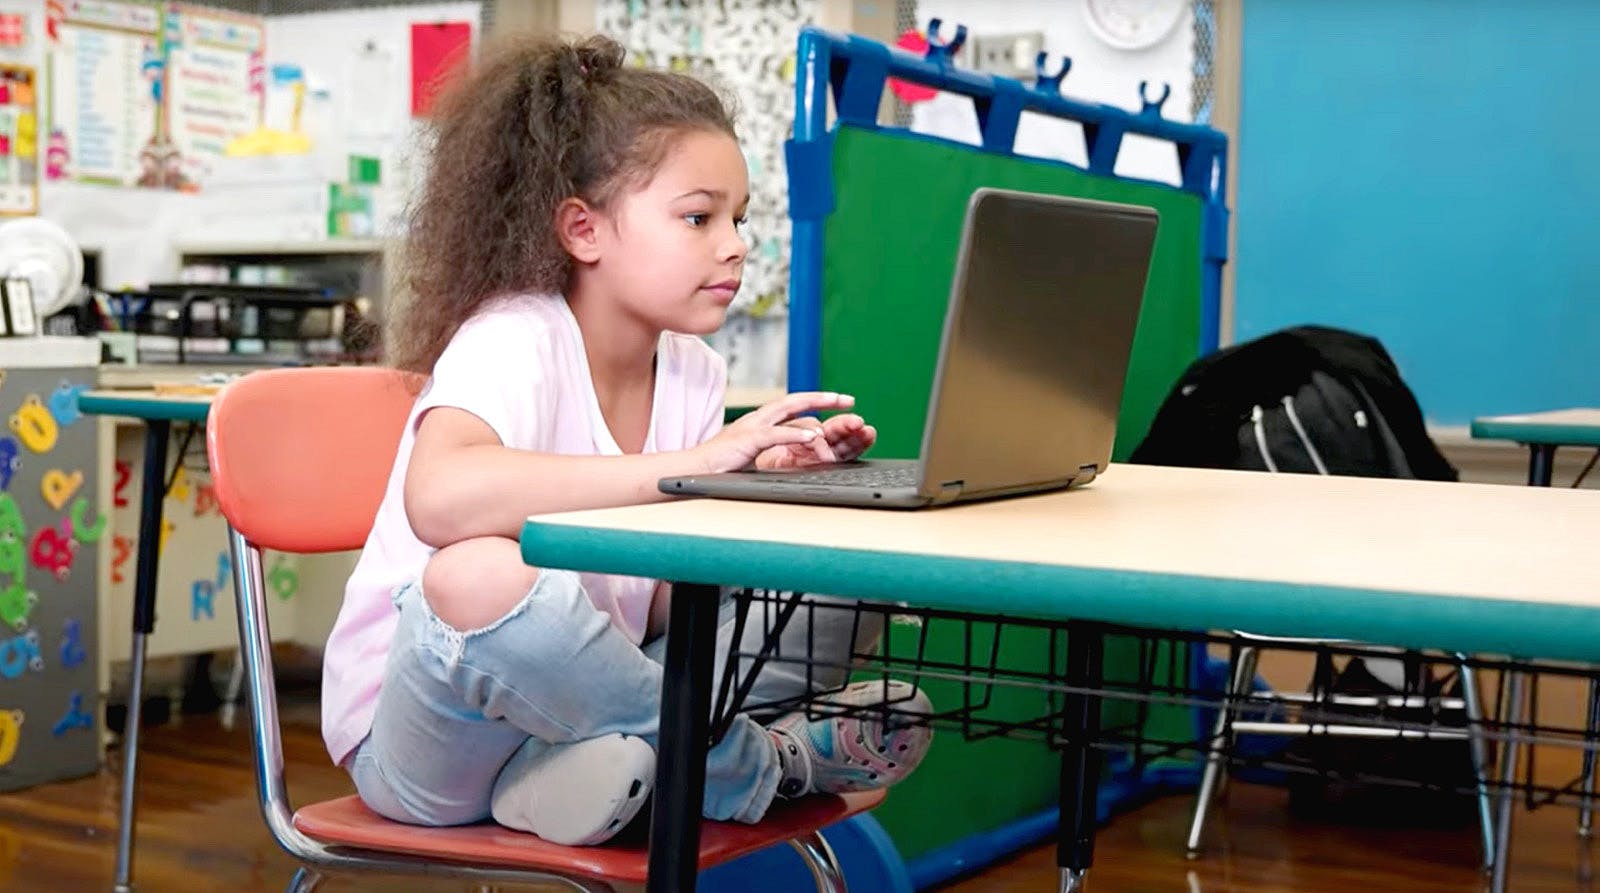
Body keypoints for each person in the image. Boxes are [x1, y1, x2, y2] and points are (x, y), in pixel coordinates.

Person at [320, 33, 933, 846]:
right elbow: (440, 499)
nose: (736, 243)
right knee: (477, 574)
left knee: (837, 571)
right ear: (584, 229)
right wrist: (696, 465)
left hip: (586, 703)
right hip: (430, 741)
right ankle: (761, 767)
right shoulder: (512, 336)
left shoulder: (693, 372)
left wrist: (761, 493)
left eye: (738, 218)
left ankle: (568, 776)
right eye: (698, 217)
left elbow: (672, 593)